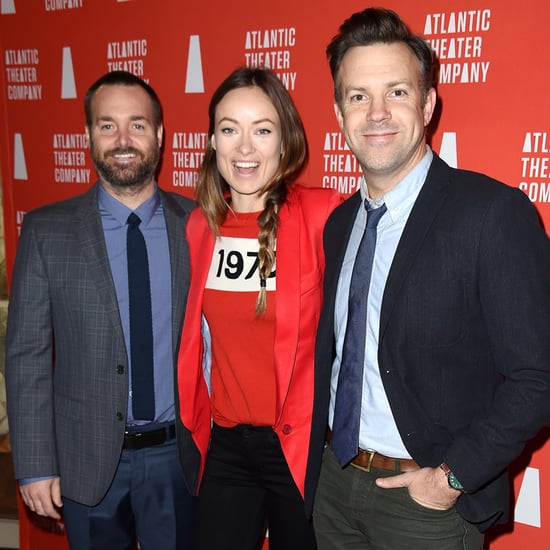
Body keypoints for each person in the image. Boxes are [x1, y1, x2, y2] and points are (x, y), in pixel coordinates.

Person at [304, 7, 550, 550]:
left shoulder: (492, 213)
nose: (376, 113)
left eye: (396, 91)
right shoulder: (340, 223)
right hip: (335, 488)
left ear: (428, 103)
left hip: (428, 508)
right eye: (358, 96)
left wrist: (449, 478)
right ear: (339, 112)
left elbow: (538, 376)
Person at [6, 70, 196, 550]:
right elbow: (27, 356)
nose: (123, 139)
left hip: (178, 459)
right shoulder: (47, 232)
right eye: (107, 125)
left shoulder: (198, 224)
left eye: (137, 124)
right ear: (89, 135)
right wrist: (35, 463)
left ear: (159, 134)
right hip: (83, 461)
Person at [175, 66, 341, 550]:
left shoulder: (323, 214)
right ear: (212, 141)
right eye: (230, 129)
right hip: (225, 446)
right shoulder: (199, 229)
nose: (244, 148)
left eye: (262, 130)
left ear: (285, 141)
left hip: (299, 446)